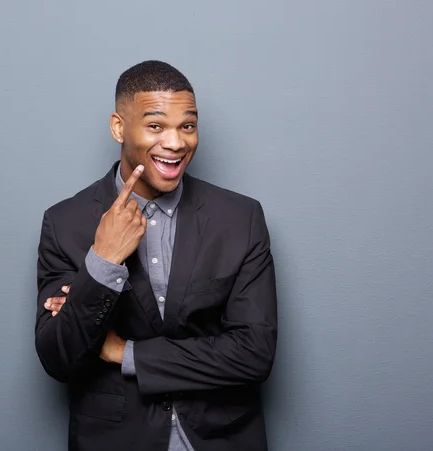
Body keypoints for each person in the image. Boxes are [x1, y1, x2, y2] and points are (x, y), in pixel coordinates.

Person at [35, 60, 277, 451]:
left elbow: (254, 355)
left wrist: (123, 352)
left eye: (188, 125)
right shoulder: (66, 222)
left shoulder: (241, 217)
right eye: (155, 126)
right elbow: (59, 358)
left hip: (223, 437)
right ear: (119, 128)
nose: (177, 142)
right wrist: (104, 260)